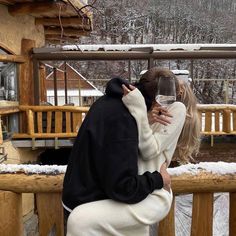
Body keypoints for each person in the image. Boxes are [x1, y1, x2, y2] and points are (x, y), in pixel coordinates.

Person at [65, 67, 201, 235]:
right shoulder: (139, 114)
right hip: (141, 189)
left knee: (80, 221)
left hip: (153, 193)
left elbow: (149, 151)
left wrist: (140, 112)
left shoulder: (176, 109)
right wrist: (145, 117)